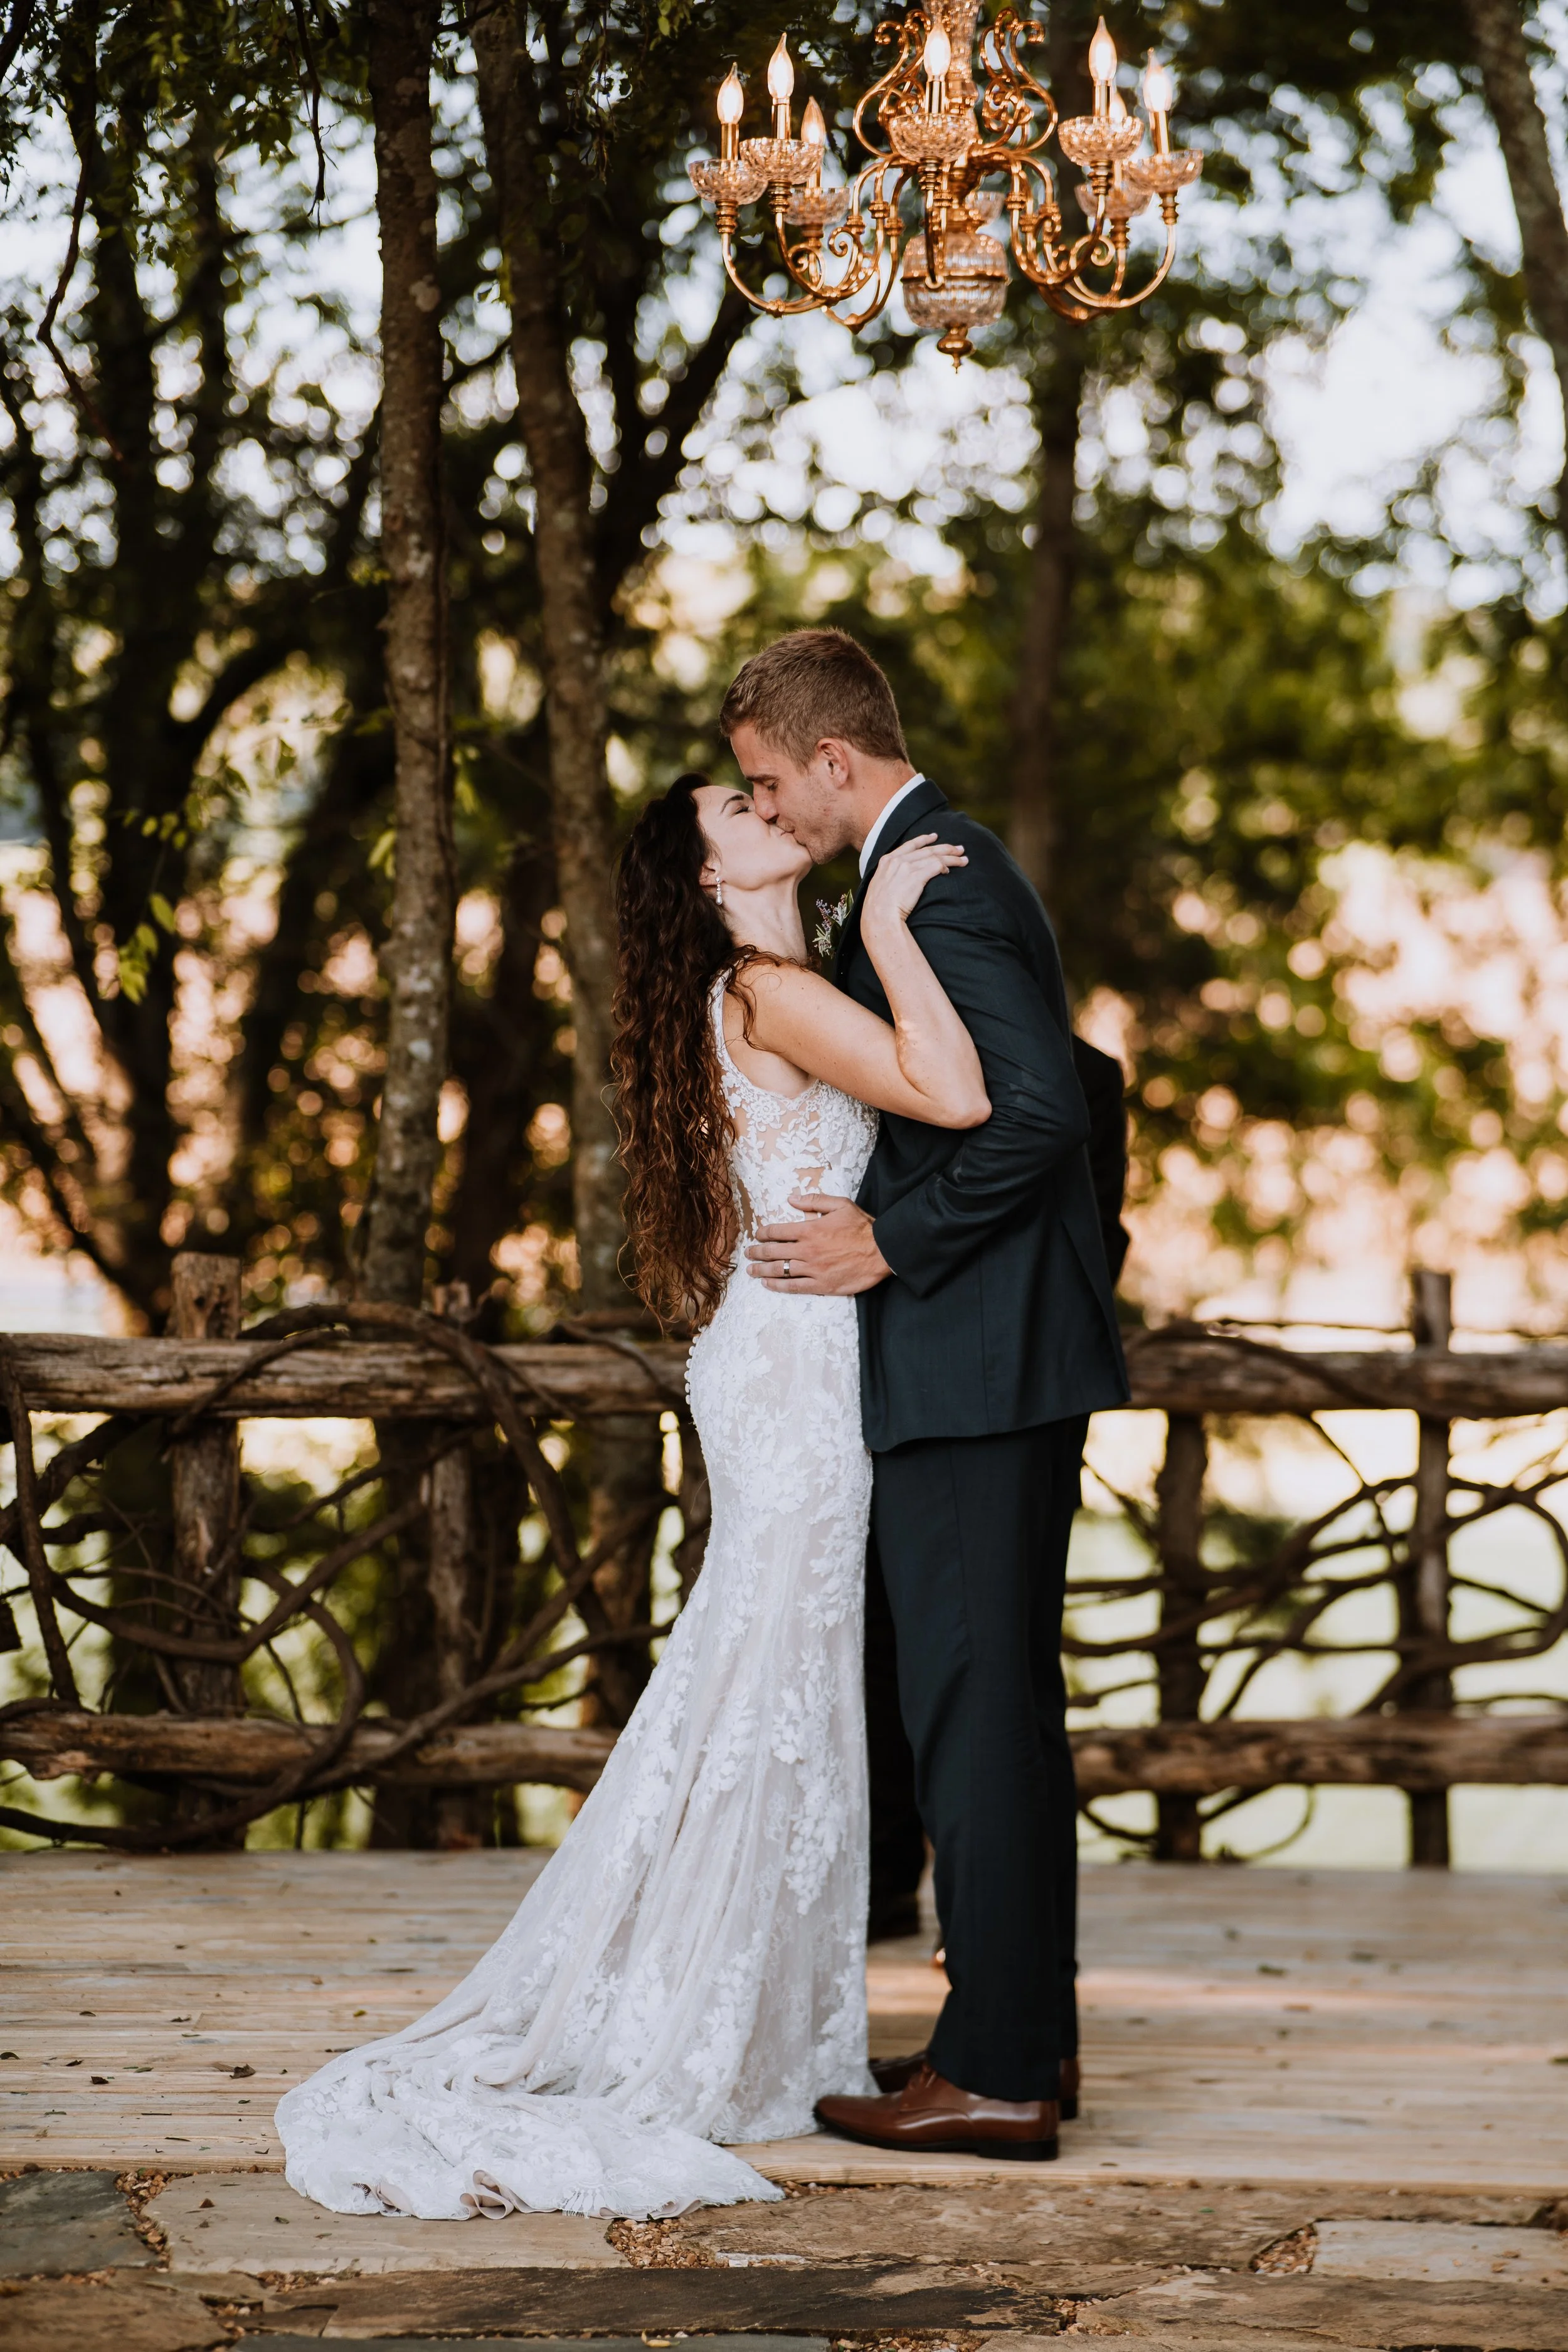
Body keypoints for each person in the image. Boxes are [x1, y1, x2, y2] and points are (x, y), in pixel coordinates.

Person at [275, 770, 989, 2222]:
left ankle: (757, 2008)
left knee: (774, 1677)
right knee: (769, 1679)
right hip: (790, 1371)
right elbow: (960, 1095)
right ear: (709, 869)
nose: (769, 801)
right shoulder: (772, 987)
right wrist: (903, 927)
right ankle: (708, 2018)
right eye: (739, 802)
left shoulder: (771, 979)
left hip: (778, 1353)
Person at [723, 628, 1129, 2161]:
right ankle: (1009, 2042)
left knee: (976, 1725)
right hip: (995, 1358)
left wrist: (894, 1240)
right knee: (999, 1720)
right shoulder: (933, 864)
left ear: (836, 759)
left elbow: (1041, 1109)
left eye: (772, 780)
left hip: (973, 1361)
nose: (768, 809)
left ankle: (1001, 2072)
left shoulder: (935, 874)